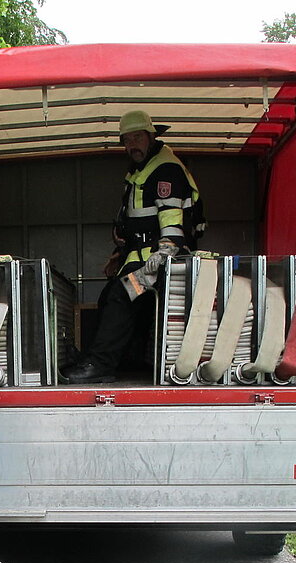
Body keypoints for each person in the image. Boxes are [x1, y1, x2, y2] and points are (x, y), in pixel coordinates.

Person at [60, 110, 206, 384]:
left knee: (121, 294)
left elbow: (172, 222)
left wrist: (163, 254)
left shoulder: (165, 170)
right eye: (127, 140)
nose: (132, 145)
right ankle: (120, 360)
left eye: (137, 137)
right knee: (110, 295)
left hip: (164, 262)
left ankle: (100, 365)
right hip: (141, 256)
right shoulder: (144, 168)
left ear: (151, 136)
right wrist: (120, 255)